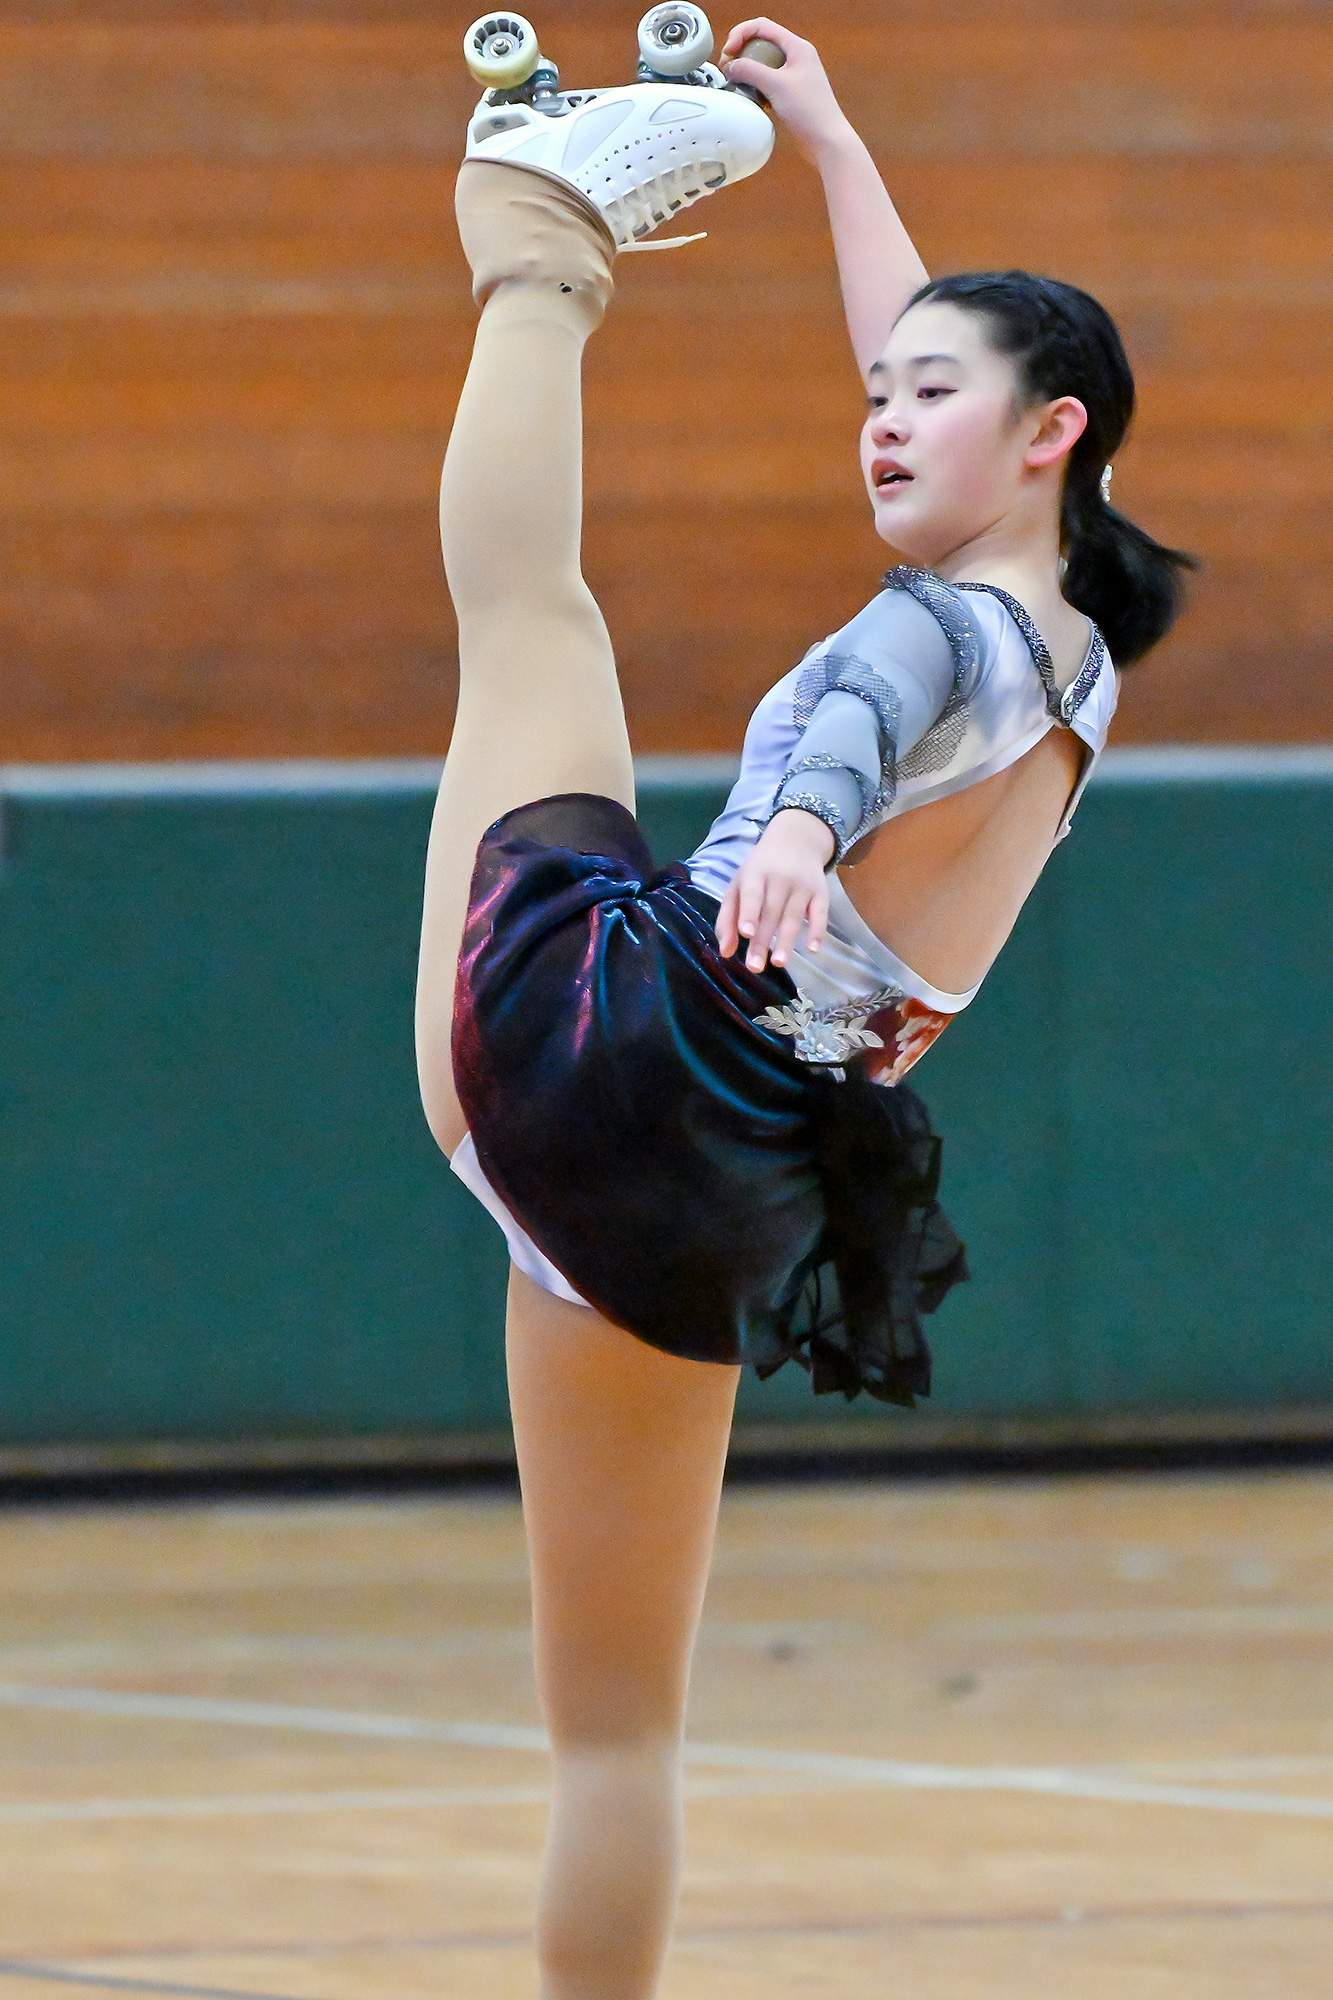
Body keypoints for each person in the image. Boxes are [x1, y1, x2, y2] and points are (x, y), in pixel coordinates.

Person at [415, 15, 1192, 1996]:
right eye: (881, 392)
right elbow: (945, 394)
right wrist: (834, 148)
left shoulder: (950, 632)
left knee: (532, 619)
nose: (883, 418)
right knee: (618, 1736)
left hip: (618, 1042)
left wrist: (787, 825)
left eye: (929, 397)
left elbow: (863, 708)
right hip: (734, 1171)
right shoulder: (1073, 641)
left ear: (1048, 434)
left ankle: (535, 239)